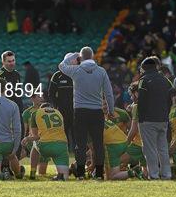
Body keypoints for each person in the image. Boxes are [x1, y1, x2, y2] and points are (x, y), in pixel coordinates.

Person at [58, 46, 114, 180]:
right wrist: (111, 110)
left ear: (81, 58)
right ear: (93, 57)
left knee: (80, 144)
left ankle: (81, 174)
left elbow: (61, 65)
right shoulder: (101, 71)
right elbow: (109, 93)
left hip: (80, 111)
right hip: (97, 111)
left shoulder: (76, 70)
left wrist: (74, 56)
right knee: (98, 143)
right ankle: (99, 174)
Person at [137, 56, 173, 180]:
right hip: (163, 119)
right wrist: (166, 113)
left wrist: (140, 118)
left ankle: (154, 174)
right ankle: (167, 174)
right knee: (163, 149)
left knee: (150, 149)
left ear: (144, 68)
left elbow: (141, 101)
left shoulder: (144, 80)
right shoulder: (165, 80)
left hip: (148, 120)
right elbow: (171, 97)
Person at [22, 103, 70, 180]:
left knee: (35, 144)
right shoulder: (58, 112)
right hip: (62, 146)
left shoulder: (36, 113)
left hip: (45, 145)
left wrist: (27, 139)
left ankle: (32, 173)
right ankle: (61, 175)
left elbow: (36, 137)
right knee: (65, 177)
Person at [0, 51, 25, 158]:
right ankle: (5, 163)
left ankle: (14, 160)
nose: (12, 63)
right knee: (7, 137)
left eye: (13, 60)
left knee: (19, 134)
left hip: (17, 109)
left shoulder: (16, 74)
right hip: (5, 111)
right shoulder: (0, 76)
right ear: (3, 62)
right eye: (9, 61)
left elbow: (18, 93)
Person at [22, 94, 48, 178]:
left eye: (42, 96)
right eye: (39, 96)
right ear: (32, 98)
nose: (42, 98)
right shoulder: (27, 112)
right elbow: (24, 130)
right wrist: (22, 144)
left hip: (44, 139)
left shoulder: (46, 110)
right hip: (31, 140)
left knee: (42, 173)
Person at [124, 82, 147, 177]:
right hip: (148, 143)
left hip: (138, 144)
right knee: (146, 172)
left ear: (136, 93)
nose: (130, 98)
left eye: (131, 95)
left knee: (115, 157)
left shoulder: (136, 107)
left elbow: (133, 130)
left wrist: (124, 144)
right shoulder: (147, 103)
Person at [48, 69, 74, 150]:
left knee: (76, 131)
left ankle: (78, 152)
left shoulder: (77, 73)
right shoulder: (57, 76)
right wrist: (56, 106)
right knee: (63, 131)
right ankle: (64, 150)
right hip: (61, 110)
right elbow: (51, 93)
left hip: (76, 109)